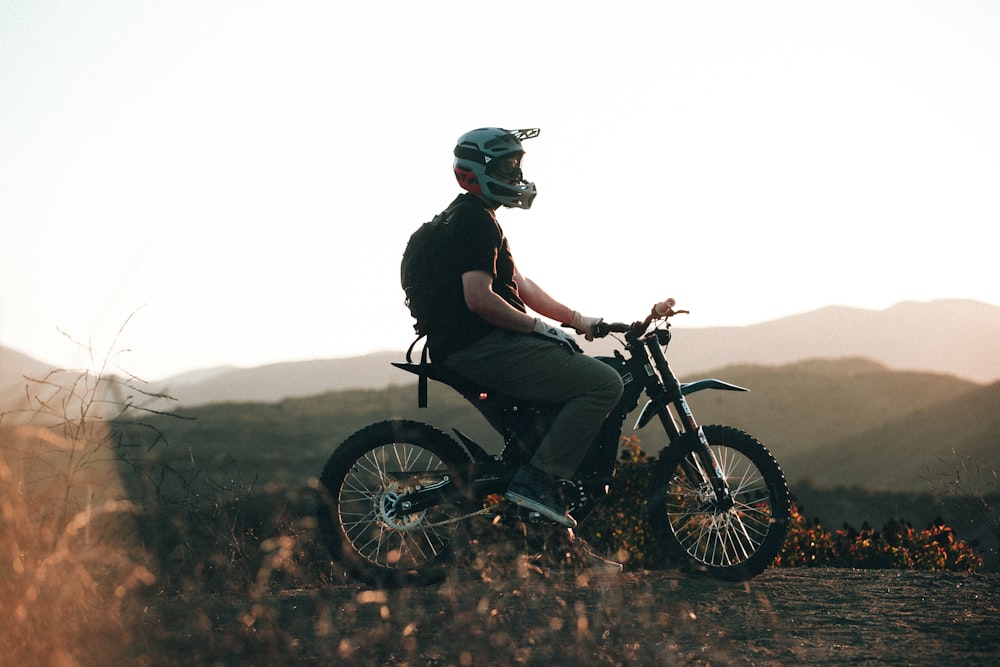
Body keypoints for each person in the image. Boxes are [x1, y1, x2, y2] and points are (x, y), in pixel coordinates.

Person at [419, 127, 624, 529]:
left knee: (565, 382)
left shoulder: (468, 218)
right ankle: (537, 483)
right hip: (482, 346)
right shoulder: (476, 222)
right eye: (507, 166)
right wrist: (539, 329)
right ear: (477, 171)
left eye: (517, 165)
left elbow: (520, 286)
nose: (515, 175)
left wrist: (577, 321)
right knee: (605, 384)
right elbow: (479, 298)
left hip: (463, 346)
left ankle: (547, 529)